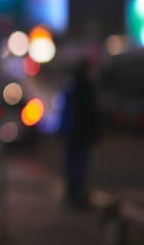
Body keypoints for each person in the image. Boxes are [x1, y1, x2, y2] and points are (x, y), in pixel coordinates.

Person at [58, 59, 100, 208]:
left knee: (72, 165)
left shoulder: (70, 88)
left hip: (72, 133)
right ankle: (75, 194)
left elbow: (64, 112)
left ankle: (72, 193)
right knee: (78, 165)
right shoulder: (86, 89)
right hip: (80, 134)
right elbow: (91, 113)